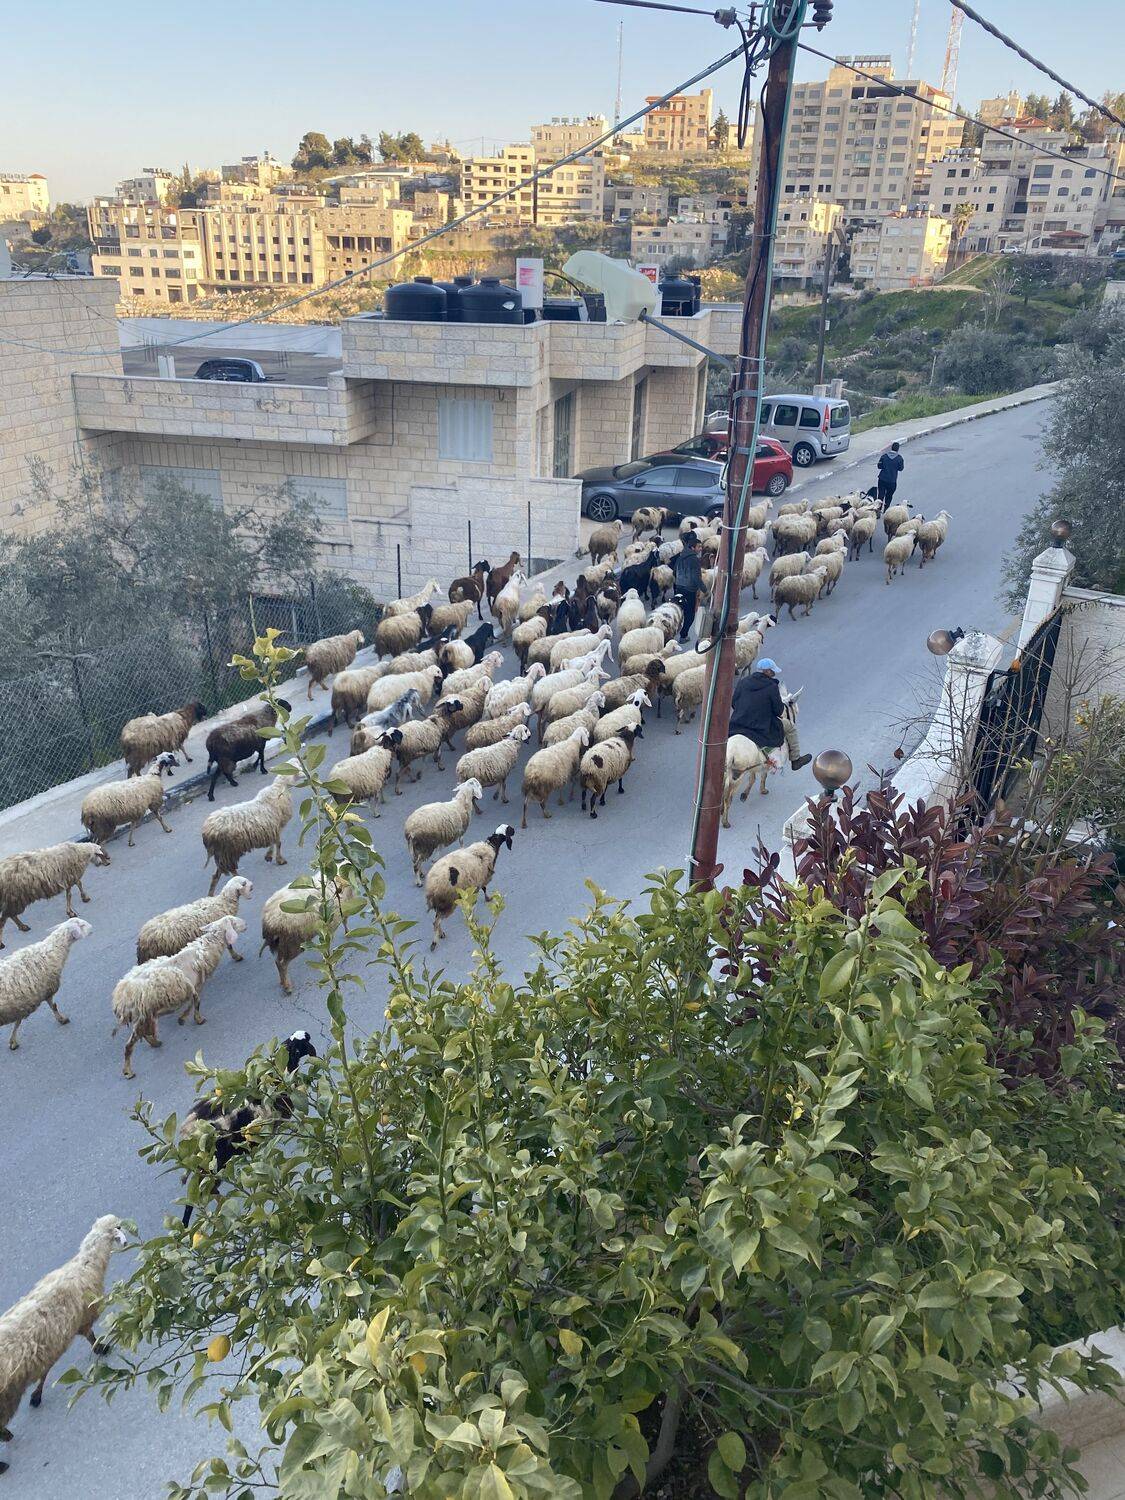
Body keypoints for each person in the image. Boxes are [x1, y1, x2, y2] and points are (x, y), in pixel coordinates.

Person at [729, 658, 811, 771]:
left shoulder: (743, 682)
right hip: (761, 725)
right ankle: (796, 759)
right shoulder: (771, 686)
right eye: (772, 671)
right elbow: (778, 711)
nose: (774, 674)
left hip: (738, 723)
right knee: (790, 727)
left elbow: (734, 703)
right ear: (767, 671)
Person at [672, 531, 704, 642]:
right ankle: (683, 635)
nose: (700, 549)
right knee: (690, 615)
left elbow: (674, 572)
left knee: (679, 610)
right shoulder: (694, 559)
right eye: (699, 547)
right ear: (692, 547)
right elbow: (696, 577)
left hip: (679, 588)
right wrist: (705, 590)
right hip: (690, 590)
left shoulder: (681, 556)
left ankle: (673, 632)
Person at [876, 441, 904, 509]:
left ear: (891, 448)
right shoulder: (899, 458)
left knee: (880, 495)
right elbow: (901, 469)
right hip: (892, 481)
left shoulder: (884, 456)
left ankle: (878, 509)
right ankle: (886, 509)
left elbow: (879, 466)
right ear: (898, 449)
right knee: (889, 496)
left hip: (882, 479)